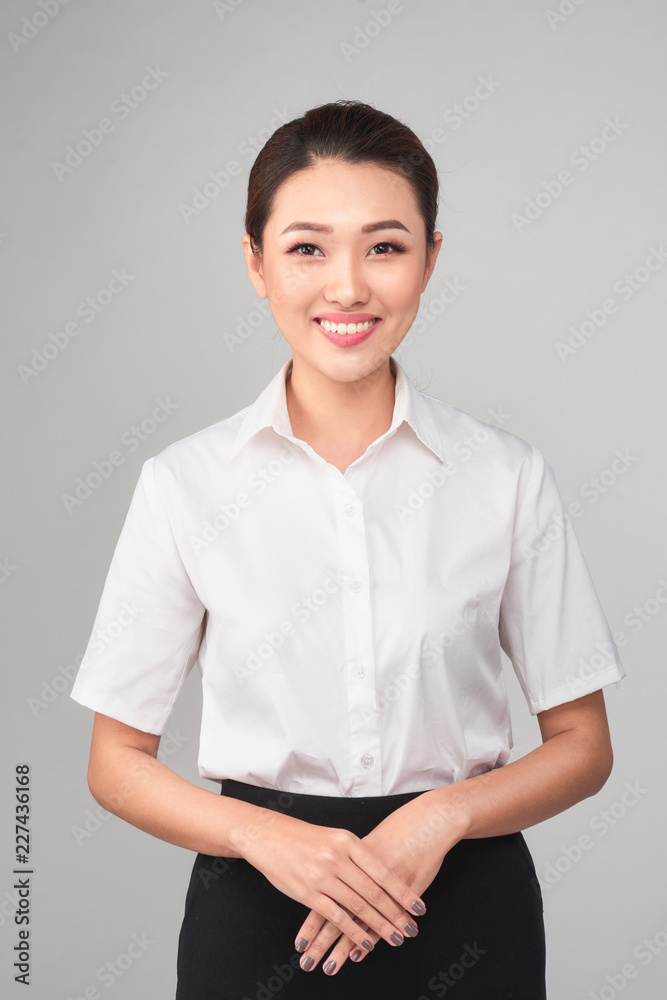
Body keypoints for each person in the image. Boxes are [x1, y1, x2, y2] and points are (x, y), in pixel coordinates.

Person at [69, 99, 626, 999]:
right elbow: (114, 762)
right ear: (254, 262)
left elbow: (582, 745)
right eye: (306, 248)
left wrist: (436, 818)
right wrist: (261, 835)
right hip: (254, 911)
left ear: (430, 259)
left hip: (466, 908)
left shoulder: (504, 477)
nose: (347, 288)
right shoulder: (185, 485)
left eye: (384, 246)